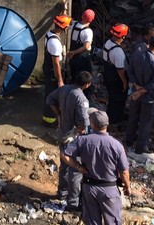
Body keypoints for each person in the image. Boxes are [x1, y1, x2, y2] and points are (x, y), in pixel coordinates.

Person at [61, 110, 131, 225]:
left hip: (89, 188)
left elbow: (64, 154)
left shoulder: (83, 140)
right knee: (113, 222)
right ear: (107, 124)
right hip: (109, 191)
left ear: (92, 124)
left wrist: (78, 166)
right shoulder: (116, 145)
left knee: (91, 221)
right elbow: (124, 172)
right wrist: (127, 187)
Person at [46, 71, 93, 211]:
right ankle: (72, 203)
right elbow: (84, 123)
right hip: (73, 137)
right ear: (87, 84)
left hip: (62, 133)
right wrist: (80, 130)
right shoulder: (81, 98)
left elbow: (50, 99)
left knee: (64, 164)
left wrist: (59, 115)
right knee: (76, 169)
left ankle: (62, 193)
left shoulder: (63, 89)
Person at [125, 34, 154, 154]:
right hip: (148, 96)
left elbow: (129, 70)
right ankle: (141, 147)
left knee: (133, 116)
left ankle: (129, 140)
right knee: (145, 121)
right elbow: (153, 83)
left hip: (136, 92)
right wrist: (141, 91)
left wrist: (136, 87)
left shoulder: (137, 55)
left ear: (148, 43)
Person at [42, 14, 72, 127]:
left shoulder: (50, 34)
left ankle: (50, 117)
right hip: (53, 72)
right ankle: (49, 120)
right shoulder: (55, 43)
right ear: (63, 28)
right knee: (52, 95)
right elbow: (56, 64)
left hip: (48, 69)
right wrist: (60, 80)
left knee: (49, 94)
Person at [102, 24, 129, 125]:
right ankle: (114, 120)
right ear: (123, 37)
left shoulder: (108, 43)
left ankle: (111, 117)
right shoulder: (118, 52)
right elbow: (120, 69)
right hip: (116, 79)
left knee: (112, 99)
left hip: (108, 76)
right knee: (118, 100)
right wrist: (125, 82)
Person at [67, 9, 96, 83]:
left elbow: (68, 19)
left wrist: (65, 9)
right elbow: (86, 46)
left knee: (74, 78)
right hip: (83, 59)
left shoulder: (74, 24)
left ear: (82, 16)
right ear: (91, 20)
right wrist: (74, 52)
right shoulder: (88, 31)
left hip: (73, 59)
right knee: (84, 80)